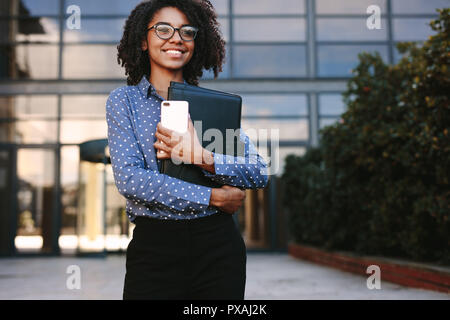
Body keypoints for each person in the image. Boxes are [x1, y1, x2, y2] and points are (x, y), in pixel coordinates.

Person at [106, 0, 268, 300]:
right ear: (143, 40)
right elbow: (131, 180)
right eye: (163, 29)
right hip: (155, 246)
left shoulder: (213, 106)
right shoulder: (124, 101)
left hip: (219, 246)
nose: (177, 38)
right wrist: (213, 196)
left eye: (187, 31)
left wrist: (202, 158)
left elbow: (259, 172)